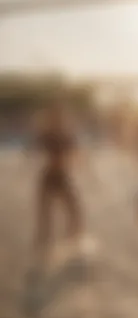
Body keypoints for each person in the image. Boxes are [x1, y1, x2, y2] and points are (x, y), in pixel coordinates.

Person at [30, 102, 83, 262]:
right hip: (50, 176)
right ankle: (43, 244)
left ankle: (72, 238)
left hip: (61, 176)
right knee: (46, 213)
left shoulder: (64, 135)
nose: (58, 119)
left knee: (73, 209)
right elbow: (32, 146)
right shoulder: (48, 134)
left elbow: (77, 151)